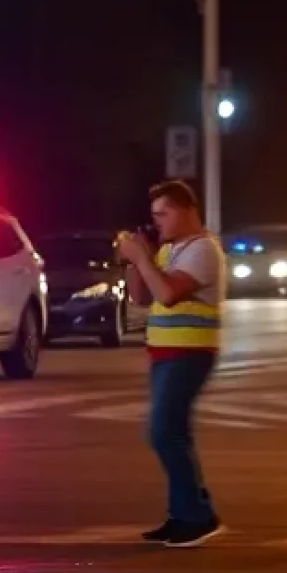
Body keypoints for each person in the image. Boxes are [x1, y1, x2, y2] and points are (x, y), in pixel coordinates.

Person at [117, 180, 226, 548]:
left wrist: (144, 258)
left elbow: (168, 292)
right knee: (175, 433)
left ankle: (195, 516)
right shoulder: (170, 249)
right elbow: (141, 296)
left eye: (163, 214)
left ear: (186, 211)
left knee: (163, 432)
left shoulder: (202, 250)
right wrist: (135, 259)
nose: (158, 221)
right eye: (154, 216)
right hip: (165, 353)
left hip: (190, 353)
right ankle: (185, 512)